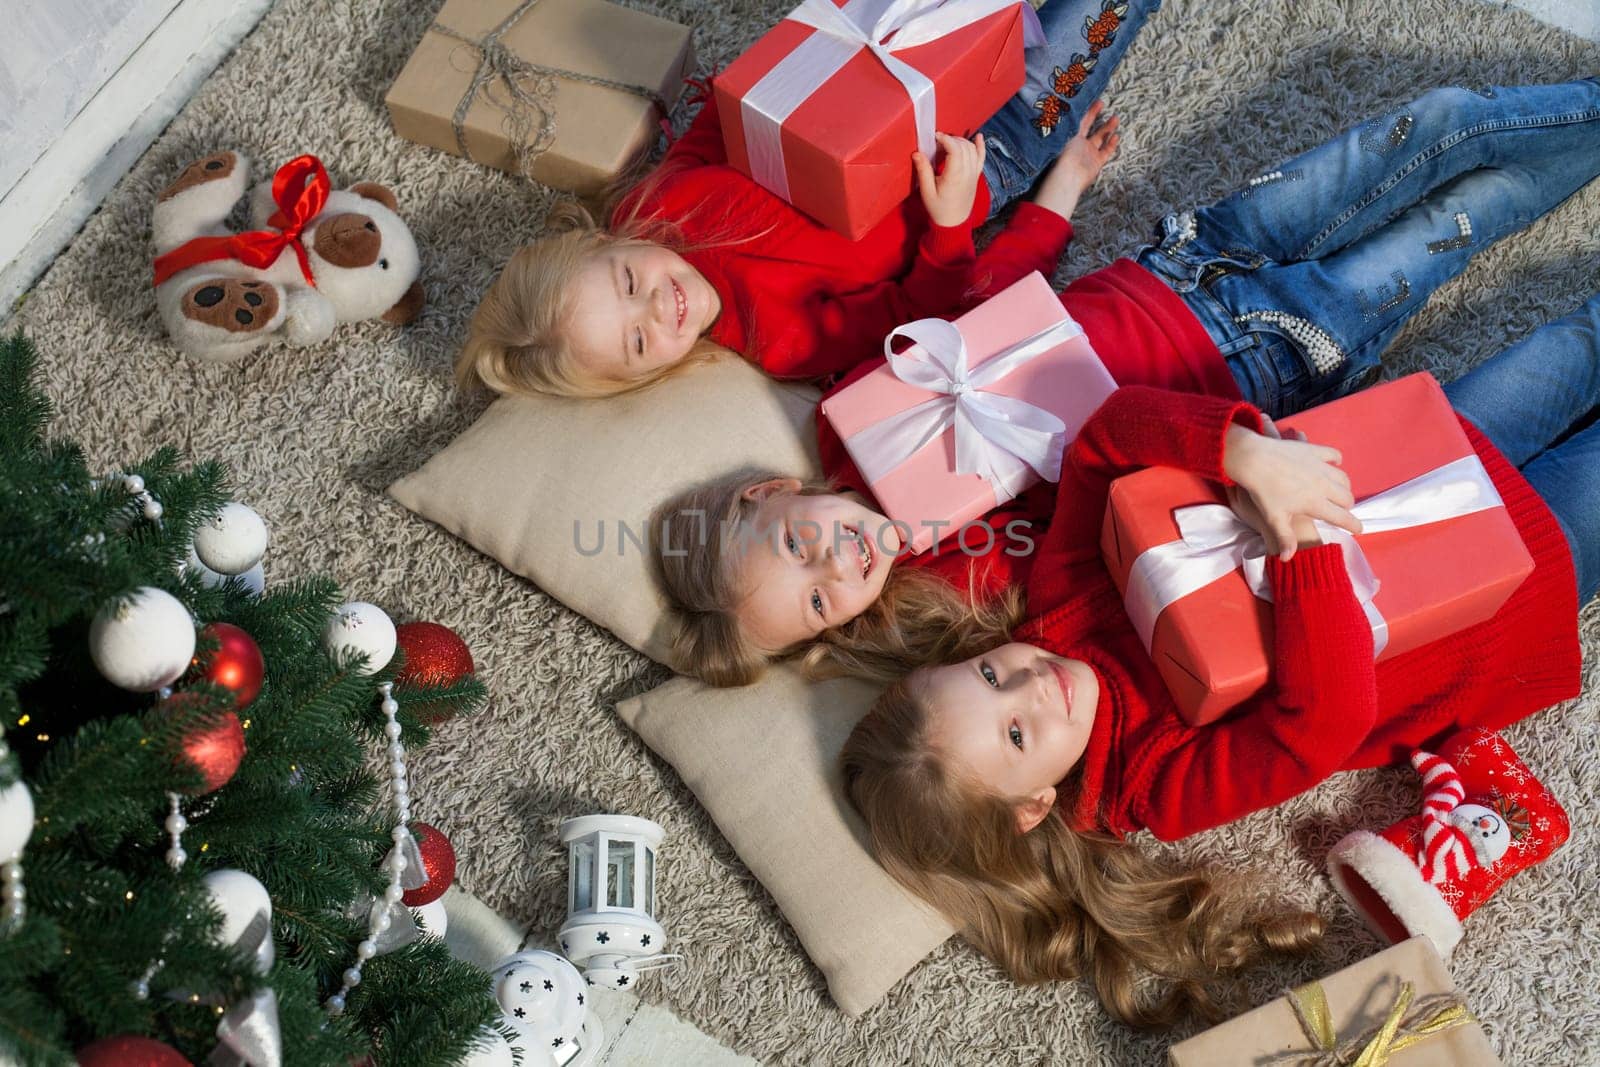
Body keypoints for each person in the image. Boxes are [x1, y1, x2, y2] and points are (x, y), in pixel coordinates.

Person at [652, 78, 1600, 685]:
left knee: (1430, 121)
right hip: (1266, 357)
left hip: (1177, 266)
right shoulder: (967, 580)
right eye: (820, 601)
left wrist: (1057, 195)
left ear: (775, 492)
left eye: (795, 546)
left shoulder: (850, 411)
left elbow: (971, 305)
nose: (836, 565)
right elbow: (1136, 515)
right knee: (1461, 219)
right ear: (835, 631)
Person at [837, 292, 1600, 1020]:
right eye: (1016, 734)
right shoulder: (1156, 783)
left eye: (990, 673)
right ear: (1033, 806)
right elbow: (1323, 723)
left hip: (1396, 449)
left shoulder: (1057, 601)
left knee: (1572, 346)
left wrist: (1241, 455)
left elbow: (1105, 434)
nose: (1033, 685)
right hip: (1502, 594)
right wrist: (1294, 540)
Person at [455, 0, 1159, 396]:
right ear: (646, 376)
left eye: (630, 281)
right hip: (984, 155)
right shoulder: (779, 339)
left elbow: (725, 113)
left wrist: (810, 55)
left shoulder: (661, 203)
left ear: (613, 240)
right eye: (639, 339)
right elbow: (919, 313)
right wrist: (948, 225)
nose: (658, 304)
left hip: (889, 71)